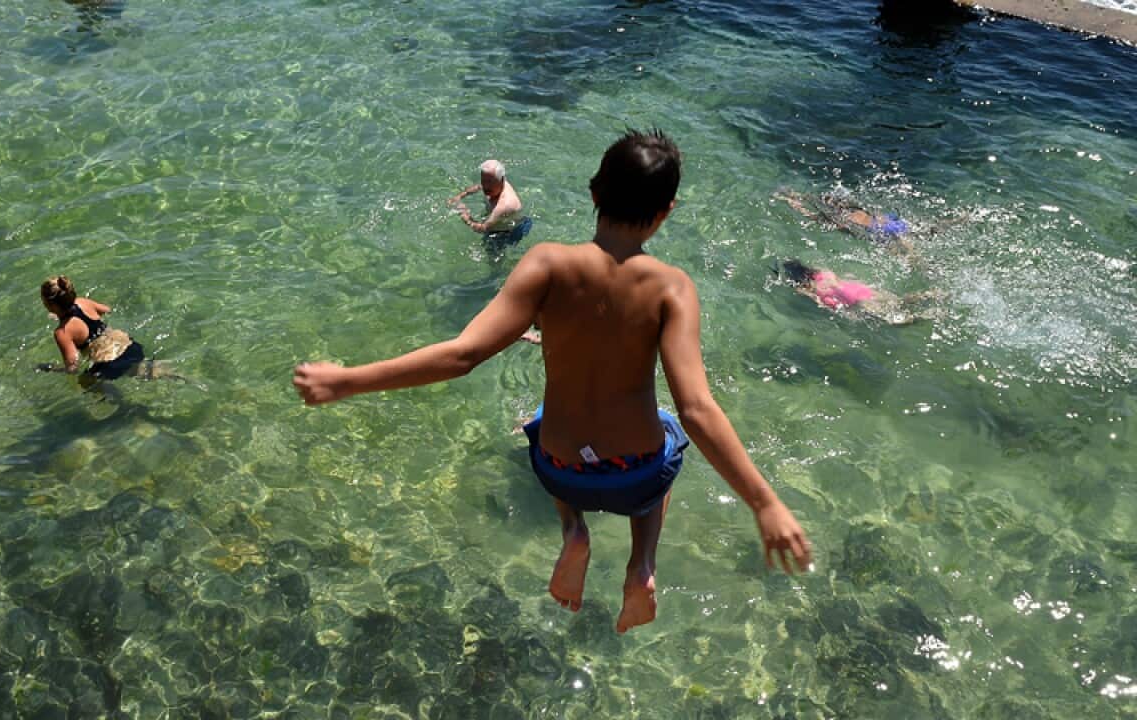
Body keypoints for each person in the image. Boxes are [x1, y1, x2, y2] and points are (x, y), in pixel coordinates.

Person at [295, 130, 811, 633]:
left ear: (593, 192)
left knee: (538, 422)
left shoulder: (545, 264)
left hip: (561, 471)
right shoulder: (672, 289)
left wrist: (348, 381)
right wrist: (764, 502)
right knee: (670, 430)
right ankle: (642, 566)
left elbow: (462, 354)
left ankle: (572, 530)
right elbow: (698, 409)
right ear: (665, 213)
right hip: (637, 478)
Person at [37, 275, 159, 382]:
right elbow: (107, 310)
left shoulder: (62, 333)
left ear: (51, 305)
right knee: (148, 370)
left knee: (85, 382)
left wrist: (53, 368)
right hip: (128, 345)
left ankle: (120, 404)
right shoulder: (82, 302)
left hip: (109, 363)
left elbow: (73, 367)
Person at [775, 188, 923, 268]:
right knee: (911, 237)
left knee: (902, 251)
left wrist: (792, 203)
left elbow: (811, 216)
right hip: (887, 221)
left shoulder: (840, 221)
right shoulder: (857, 209)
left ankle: (791, 195)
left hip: (876, 231)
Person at [776, 259, 942, 326]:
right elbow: (840, 278)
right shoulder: (822, 272)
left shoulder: (807, 288)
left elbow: (819, 302)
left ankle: (925, 316)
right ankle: (930, 295)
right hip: (857, 288)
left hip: (853, 301)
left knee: (891, 320)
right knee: (898, 301)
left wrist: (840, 313)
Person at [447, 159, 533, 247]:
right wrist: (461, 195)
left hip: (511, 232)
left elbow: (482, 228)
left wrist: (464, 214)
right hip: (501, 220)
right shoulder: (493, 181)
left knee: (492, 254)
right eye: (483, 180)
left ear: (502, 180)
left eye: (490, 182)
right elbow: (478, 186)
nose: (486, 186)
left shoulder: (504, 205)